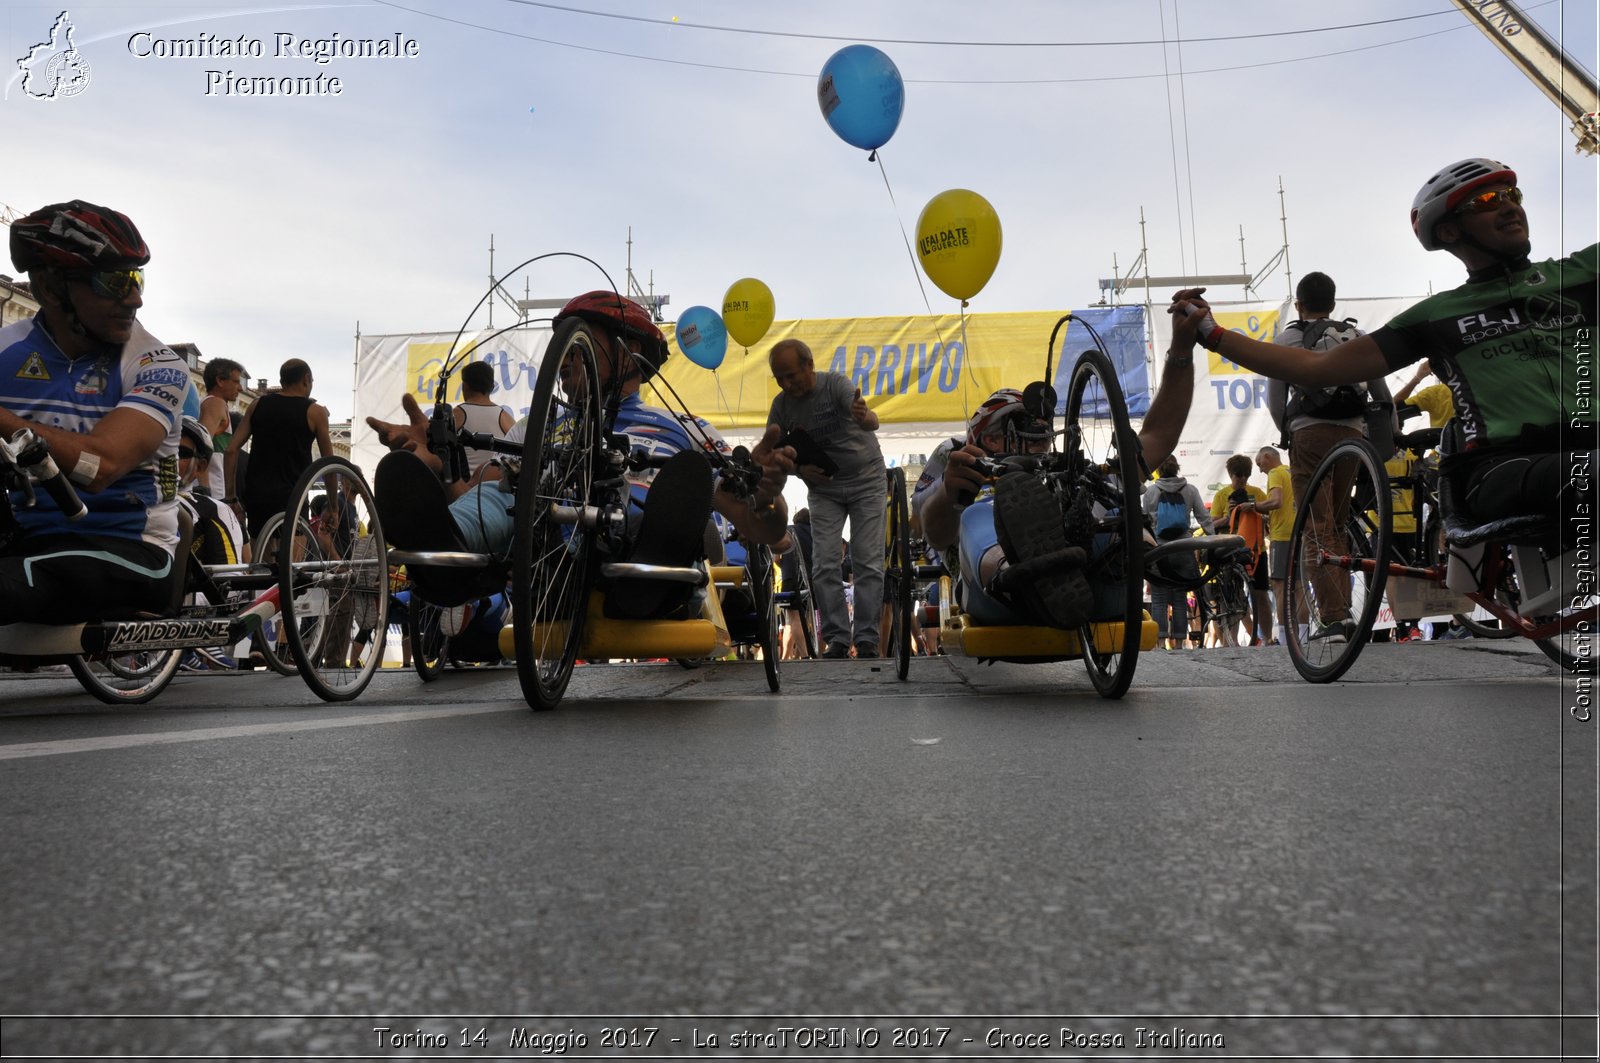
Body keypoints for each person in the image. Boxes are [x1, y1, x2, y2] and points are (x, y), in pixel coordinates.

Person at [1170, 156, 1596, 535]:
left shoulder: (1582, 273)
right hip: (1502, 467)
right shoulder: (1436, 315)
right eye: (1486, 201)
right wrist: (1212, 333)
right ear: (1448, 231)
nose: (1508, 205)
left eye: (1511, 194)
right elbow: (1313, 370)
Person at [367, 291, 794, 623]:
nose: (568, 360)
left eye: (581, 345)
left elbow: (763, 528)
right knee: (500, 495)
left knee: (667, 487)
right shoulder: (535, 425)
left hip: (633, 538)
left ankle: (649, 572)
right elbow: (478, 490)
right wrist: (438, 465)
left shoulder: (685, 427)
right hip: (543, 543)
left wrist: (765, 497)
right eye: (563, 349)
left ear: (628, 352)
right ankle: (443, 558)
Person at [913, 337, 1199, 629]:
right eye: (1028, 425)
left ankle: (1142, 554)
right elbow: (933, 534)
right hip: (999, 601)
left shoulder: (1072, 474)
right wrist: (949, 492)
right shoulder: (967, 478)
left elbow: (1158, 436)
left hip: (1090, 592)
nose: (1044, 433)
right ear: (991, 438)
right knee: (980, 514)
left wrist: (1181, 350)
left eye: (1046, 428)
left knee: (1113, 511)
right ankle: (1017, 573)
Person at [0, 200, 187, 624]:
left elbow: (100, 466)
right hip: (26, 540)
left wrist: (6, 423)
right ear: (50, 289)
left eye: (136, 279)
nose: (135, 298)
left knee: (18, 578)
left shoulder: (156, 365)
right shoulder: (5, 351)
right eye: (114, 282)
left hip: (129, 548)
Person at [1266, 272, 1396, 643]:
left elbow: (1275, 399)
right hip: (1352, 434)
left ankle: (1332, 619)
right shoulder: (1355, 336)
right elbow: (1381, 392)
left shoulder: (1287, 338)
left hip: (1309, 434)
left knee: (1315, 527)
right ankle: (1340, 609)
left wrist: (1287, 431)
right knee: (1336, 524)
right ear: (1334, 304)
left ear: (1298, 303)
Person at [766, 338, 887, 659]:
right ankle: (835, 637)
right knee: (823, 565)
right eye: (779, 378)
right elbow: (773, 454)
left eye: (791, 375)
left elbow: (872, 420)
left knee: (866, 561)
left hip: (867, 481)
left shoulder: (836, 385)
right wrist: (800, 468)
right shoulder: (781, 406)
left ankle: (866, 639)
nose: (786, 383)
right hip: (824, 490)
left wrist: (864, 417)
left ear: (809, 365)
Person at [224, 358, 333, 542]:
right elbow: (328, 463)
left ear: (282, 381)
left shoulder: (257, 405)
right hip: (293, 495)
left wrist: (231, 498)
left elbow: (231, 450)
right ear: (306, 379)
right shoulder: (315, 412)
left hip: (258, 496)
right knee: (292, 565)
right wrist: (333, 506)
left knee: (262, 565)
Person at [1142, 455, 1211, 650]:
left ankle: (1161, 642)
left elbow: (1145, 522)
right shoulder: (1190, 490)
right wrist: (1213, 539)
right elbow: (1203, 517)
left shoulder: (1150, 492)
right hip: (1183, 547)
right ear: (1177, 468)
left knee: (1159, 599)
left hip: (1159, 549)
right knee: (1180, 598)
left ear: (1158, 470)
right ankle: (1180, 643)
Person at [1209, 454, 1269, 646]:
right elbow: (1212, 526)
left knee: (1261, 595)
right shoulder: (1221, 495)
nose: (1242, 479)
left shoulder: (1257, 493)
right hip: (1229, 551)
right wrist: (1229, 517)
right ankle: (1231, 642)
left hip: (1256, 550)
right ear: (1230, 474)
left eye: (1246, 475)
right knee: (1231, 598)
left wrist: (1254, 510)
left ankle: (1267, 639)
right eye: (1238, 475)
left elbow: (1270, 519)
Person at [1251, 445, 1293, 644]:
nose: (1260, 469)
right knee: (1299, 587)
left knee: (1279, 586)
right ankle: (1300, 635)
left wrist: (1254, 507)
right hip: (1299, 533)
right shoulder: (1291, 471)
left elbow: (1276, 502)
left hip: (1282, 536)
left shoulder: (1276, 473)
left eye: (1259, 464)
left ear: (1267, 457)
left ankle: (1284, 638)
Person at [453, 359, 515, 477]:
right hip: (496, 491)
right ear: (491, 387)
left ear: (464, 386)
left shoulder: (457, 414)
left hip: (465, 490)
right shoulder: (505, 417)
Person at [197, 357, 244, 498]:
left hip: (210, 487)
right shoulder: (216, 404)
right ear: (220, 381)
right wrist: (204, 489)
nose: (240, 388)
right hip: (212, 489)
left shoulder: (206, 403)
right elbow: (202, 446)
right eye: (236, 382)